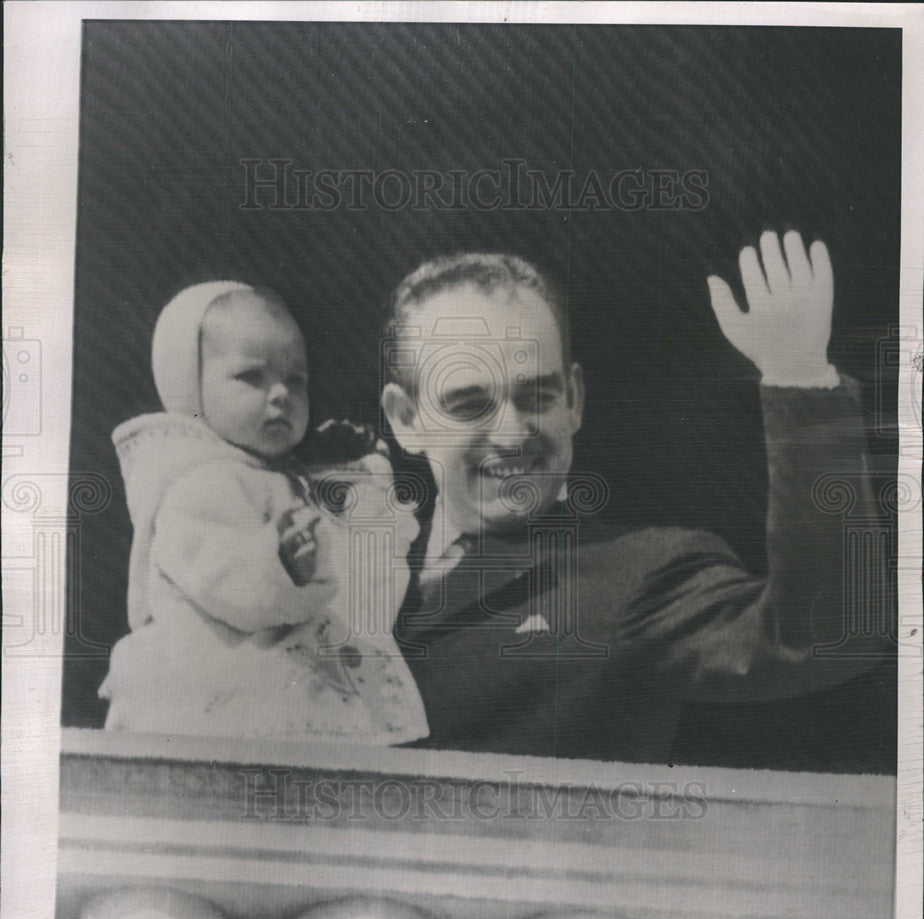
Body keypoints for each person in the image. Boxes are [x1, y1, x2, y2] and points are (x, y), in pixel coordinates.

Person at [381, 233, 885, 761]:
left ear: (573, 401)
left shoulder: (641, 575)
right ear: (405, 419)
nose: (511, 434)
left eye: (537, 396)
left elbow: (829, 641)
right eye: (469, 404)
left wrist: (800, 379)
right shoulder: (339, 560)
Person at [99, 281, 427, 743]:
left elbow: (362, 574)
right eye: (251, 376)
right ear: (188, 385)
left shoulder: (278, 475)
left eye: (296, 380)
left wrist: (357, 477)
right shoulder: (196, 485)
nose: (280, 395)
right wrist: (279, 563)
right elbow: (222, 574)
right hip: (223, 700)